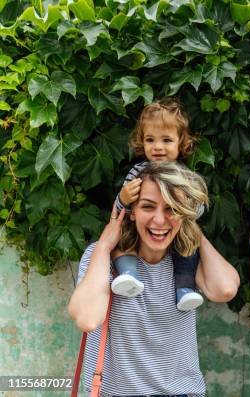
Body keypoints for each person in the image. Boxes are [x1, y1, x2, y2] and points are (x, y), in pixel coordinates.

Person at [68, 162, 240, 396]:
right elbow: (87, 319)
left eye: (171, 209)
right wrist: (104, 245)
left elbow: (226, 289)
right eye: (148, 207)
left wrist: (191, 229)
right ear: (132, 211)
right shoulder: (102, 257)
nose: (160, 221)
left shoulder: (186, 260)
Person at [112, 98, 206, 311]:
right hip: (140, 234)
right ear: (141, 142)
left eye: (166, 140)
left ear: (181, 143)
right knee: (123, 238)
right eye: (150, 140)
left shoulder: (184, 177)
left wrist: (187, 204)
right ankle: (128, 274)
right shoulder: (137, 173)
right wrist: (124, 198)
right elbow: (120, 210)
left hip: (176, 234)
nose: (158, 147)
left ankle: (184, 289)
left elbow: (199, 211)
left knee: (190, 246)